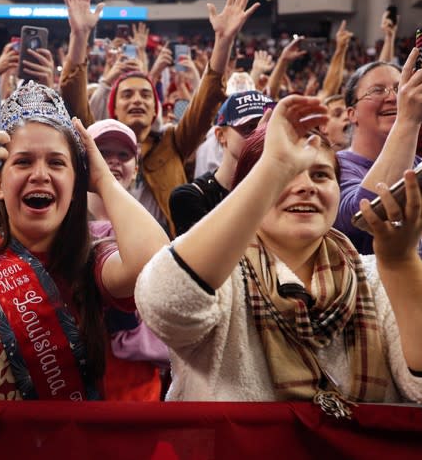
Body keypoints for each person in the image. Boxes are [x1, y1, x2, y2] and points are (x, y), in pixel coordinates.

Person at [136, 95, 422, 404]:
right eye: (288, 175)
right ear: (251, 188)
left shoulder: (378, 277)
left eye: (321, 175)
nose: (306, 186)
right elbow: (165, 303)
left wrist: (401, 265)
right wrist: (273, 165)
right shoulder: (219, 273)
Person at [0, 81, 168, 400]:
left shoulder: (92, 258)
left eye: (56, 163)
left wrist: (103, 179)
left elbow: (155, 267)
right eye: (23, 162)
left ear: (76, 184)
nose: (40, 174)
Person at [60, 0, 258, 236]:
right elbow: (73, 96)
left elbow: (205, 102)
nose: (137, 100)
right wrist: (79, 36)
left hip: (165, 256)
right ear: (113, 109)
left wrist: (223, 42)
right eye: (127, 95)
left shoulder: (172, 142)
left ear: (156, 110)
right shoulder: (95, 142)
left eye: (145, 95)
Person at [86, 119, 168, 401]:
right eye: (102, 153)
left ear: (136, 167)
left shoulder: (151, 232)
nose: (112, 162)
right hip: (75, 392)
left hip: (139, 393)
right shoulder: (59, 227)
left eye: (123, 155)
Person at [335, 51, 422, 255]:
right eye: (377, 90)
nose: (393, 97)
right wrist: (408, 120)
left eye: (399, 89)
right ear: (352, 114)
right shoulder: (335, 166)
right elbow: (361, 215)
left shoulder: (418, 164)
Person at [170, 90, 270, 236]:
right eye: (249, 128)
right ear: (221, 135)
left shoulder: (282, 192)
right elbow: (212, 253)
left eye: (266, 129)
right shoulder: (190, 196)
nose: (259, 136)